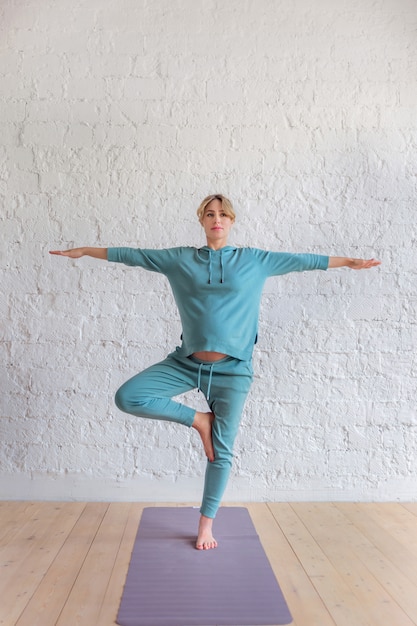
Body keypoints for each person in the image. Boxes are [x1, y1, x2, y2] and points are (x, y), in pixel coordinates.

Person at [50, 194, 381, 550]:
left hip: (233, 372)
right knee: (128, 396)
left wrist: (348, 262)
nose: (216, 219)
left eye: (223, 214)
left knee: (221, 453)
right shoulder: (179, 259)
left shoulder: (255, 260)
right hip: (185, 362)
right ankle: (199, 421)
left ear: (232, 221)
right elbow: (132, 255)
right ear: (202, 221)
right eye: (210, 214)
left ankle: (206, 525)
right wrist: (85, 250)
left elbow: (304, 261)